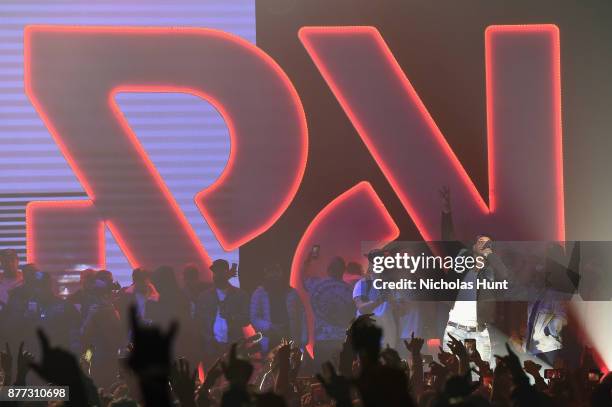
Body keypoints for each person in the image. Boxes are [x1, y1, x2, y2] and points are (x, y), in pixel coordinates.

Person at [439, 186, 509, 364]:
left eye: (488, 244)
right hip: (454, 329)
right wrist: (446, 212)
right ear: (473, 246)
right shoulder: (461, 257)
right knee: (452, 371)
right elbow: (447, 239)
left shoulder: (492, 270)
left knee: (482, 373)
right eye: (481, 242)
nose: (484, 245)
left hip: (479, 331)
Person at [304, 255, 355, 370]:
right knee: (343, 375)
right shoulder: (350, 290)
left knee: (322, 379)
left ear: (328, 270)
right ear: (343, 270)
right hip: (342, 340)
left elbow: (304, 277)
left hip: (322, 340)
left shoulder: (315, 284)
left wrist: (307, 262)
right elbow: (353, 315)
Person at [196, 259, 249, 367]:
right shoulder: (203, 296)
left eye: (221, 271)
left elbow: (246, 319)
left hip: (234, 346)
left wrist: (232, 317)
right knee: (211, 381)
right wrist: (209, 339)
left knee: (234, 380)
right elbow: (199, 321)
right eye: (215, 272)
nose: (217, 275)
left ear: (227, 273)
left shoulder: (240, 295)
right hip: (211, 348)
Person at [250, 263, 306, 353]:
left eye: (276, 271)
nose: (274, 274)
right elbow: (254, 317)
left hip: (290, 335)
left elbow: (301, 315)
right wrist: (270, 326)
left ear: (281, 273)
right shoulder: (259, 293)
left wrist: (303, 338)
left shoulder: (292, 293)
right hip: (270, 337)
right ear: (266, 274)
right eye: (271, 272)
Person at [353, 251, 397, 349]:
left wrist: (395, 303)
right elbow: (361, 308)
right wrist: (380, 299)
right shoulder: (362, 284)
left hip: (387, 337)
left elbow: (400, 311)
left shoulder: (391, 284)